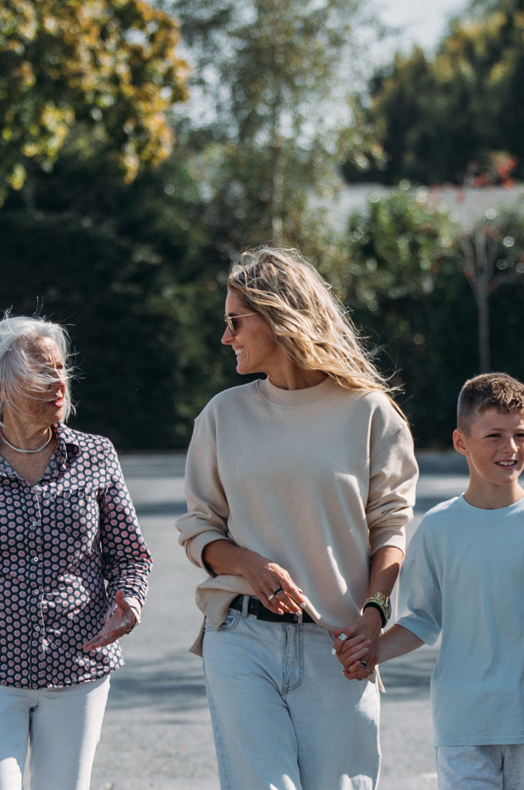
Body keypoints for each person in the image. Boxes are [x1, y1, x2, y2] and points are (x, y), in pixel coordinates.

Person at [175, 247, 419, 790]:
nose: (226, 337)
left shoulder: (370, 412)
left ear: (278, 315)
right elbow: (198, 528)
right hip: (241, 636)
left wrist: (375, 614)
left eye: (235, 321)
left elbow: (391, 528)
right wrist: (248, 564)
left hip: (337, 645)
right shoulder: (221, 417)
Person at [0, 316, 149, 790]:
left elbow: (130, 555)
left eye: (60, 369)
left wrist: (129, 600)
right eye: (42, 370)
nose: (59, 380)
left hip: (80, 669)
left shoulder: (96, 456)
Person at [372, 372, 524, 790]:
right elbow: (422, 619)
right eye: (494, 435)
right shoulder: (438, 528)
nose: (510, 448)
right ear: (461, 442)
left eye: (521, 435)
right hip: (462, 727)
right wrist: (369, 653)